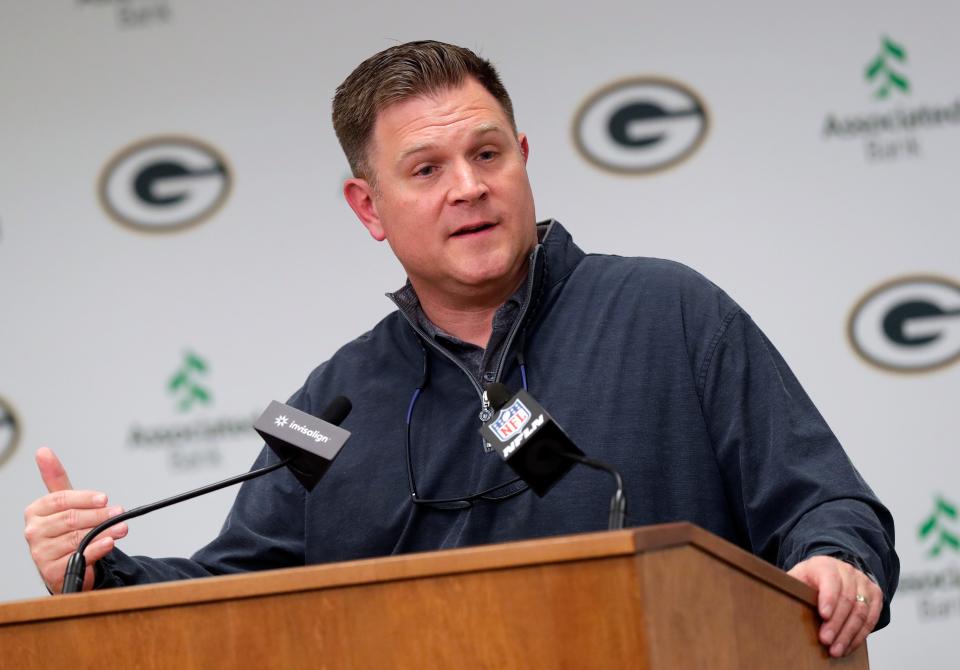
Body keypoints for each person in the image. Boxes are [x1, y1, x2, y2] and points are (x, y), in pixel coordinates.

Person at [23, 40, 897, 659]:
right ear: (367, 208)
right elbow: (230, 588)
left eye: (487, 154)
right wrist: (99, 573)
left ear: (522, 159)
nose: (469, 187)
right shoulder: (326, 402)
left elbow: (830, 508)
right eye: (427, 169)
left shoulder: (672, 311)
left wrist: (837, 562)